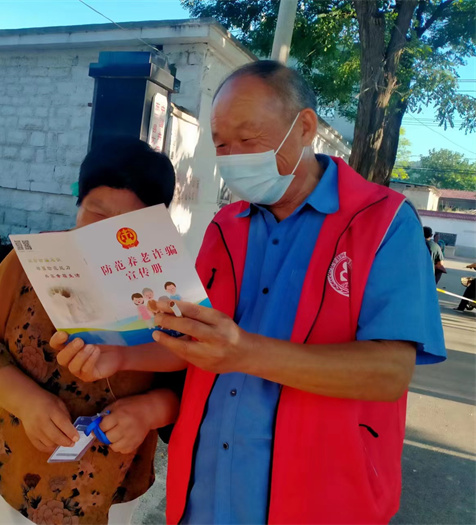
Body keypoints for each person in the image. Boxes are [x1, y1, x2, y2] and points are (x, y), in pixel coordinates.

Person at [53, 61, 446, 524]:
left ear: (304, 127)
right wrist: (120, 357)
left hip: (321, 501)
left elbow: (390, 373)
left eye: (249, 138)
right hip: (205, 493)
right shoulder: (226, 226)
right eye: (221, 143)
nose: (233, 156)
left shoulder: (381, 223)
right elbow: (192, 342)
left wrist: (245, 353)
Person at [0, 137, 180, 525]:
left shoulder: (166, 292)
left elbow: (193, 379)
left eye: (125, 227)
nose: (104, 234)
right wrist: (27, 402)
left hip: (111, 483)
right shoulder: (30, 261)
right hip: (11, 469)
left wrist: (149, 411)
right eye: (96, 212)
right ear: (78, 203)